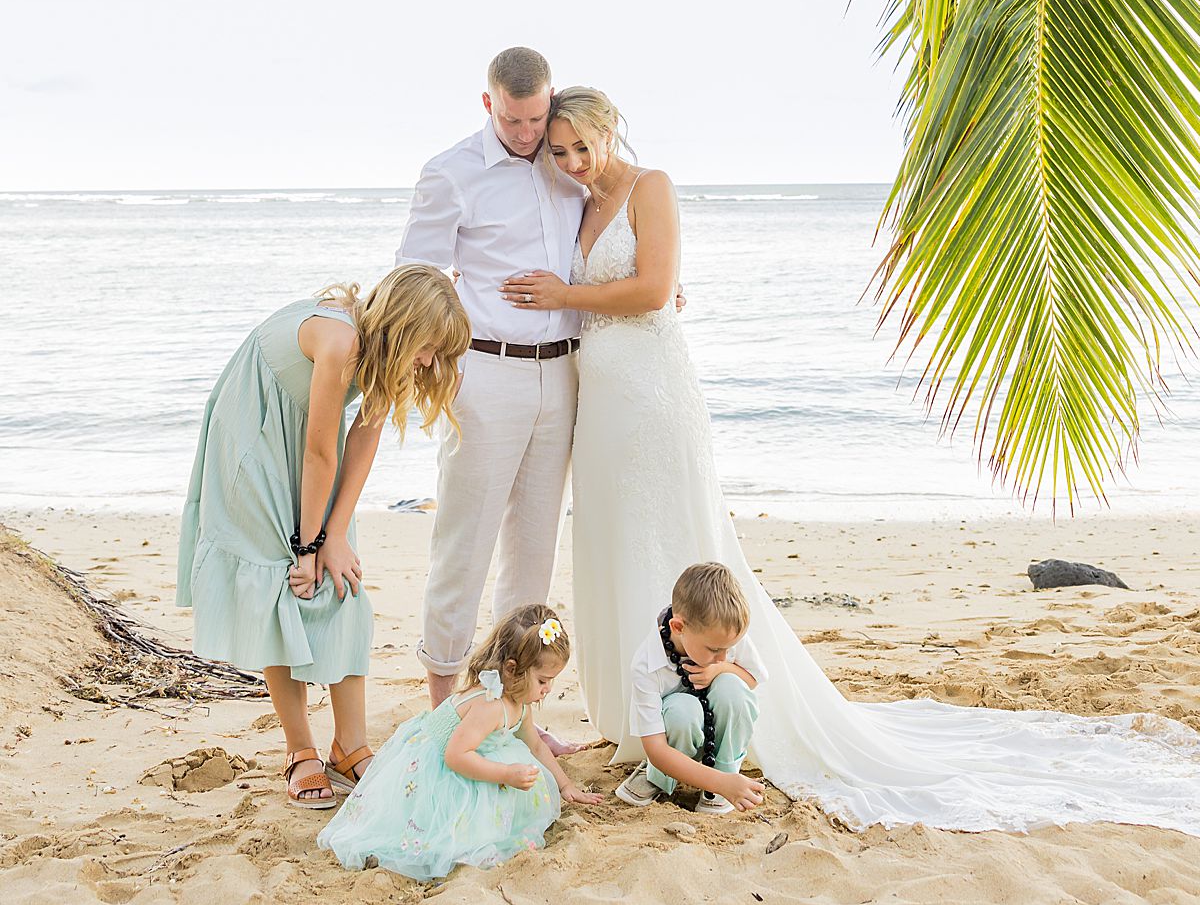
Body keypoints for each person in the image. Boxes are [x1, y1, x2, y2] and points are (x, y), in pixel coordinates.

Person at [501, 87, 1200, 837]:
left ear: (611, 130)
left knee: (670, 543)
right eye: (561, 151)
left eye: (583, 146)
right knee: (615, 545)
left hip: (652, 398)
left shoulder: (652, 186)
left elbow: (656, 288)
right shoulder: (577, 203)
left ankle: (693, 725)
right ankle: (640, 714)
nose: (573, 162)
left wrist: (563, 295)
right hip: (601, 404)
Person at [177, 265, 469, 810]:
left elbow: (361, 441)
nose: (429, 361)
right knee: (285, 584)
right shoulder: (340, 340)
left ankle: (349, 745)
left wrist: (333, 536)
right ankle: (299, 749)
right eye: (427, 347)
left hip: (310, 443)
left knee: (342, 580)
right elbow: (318, 452)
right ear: (403, 327)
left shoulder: (385, 357)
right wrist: (308, 547)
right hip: (256, 437)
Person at [397, 47, 587, 713]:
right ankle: (442, 706)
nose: (529, 132)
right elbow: (413, 283)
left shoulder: (570, 162)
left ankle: (518, 710)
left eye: (537, 117)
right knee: (463, 545)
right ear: (488, 104)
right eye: (514, 119)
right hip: (484, 374)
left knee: (535, 555)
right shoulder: (450, 173)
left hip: (563, 372)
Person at [317, 603, 602, 880]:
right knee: (446, 837)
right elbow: (455, 756)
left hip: (472, 754)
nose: (548, 689)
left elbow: (537, 745)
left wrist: (565, 786)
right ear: (513, 669)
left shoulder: (519, 699)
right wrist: (504, 774)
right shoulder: (490, 705)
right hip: (440, 767)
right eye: (543, 681)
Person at [617, 563, 765, 816]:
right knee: (681, 712)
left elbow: (751, 679)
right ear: (678, 627)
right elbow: (657, 749)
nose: (723, 656)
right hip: (675, 739)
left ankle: (725, 771)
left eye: (728, 649)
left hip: (715, 728)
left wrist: (720, 670)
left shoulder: (723, 633)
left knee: (734, 690)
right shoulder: (646, 664)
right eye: (715, 650)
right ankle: (660, 777)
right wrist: (721, 784)